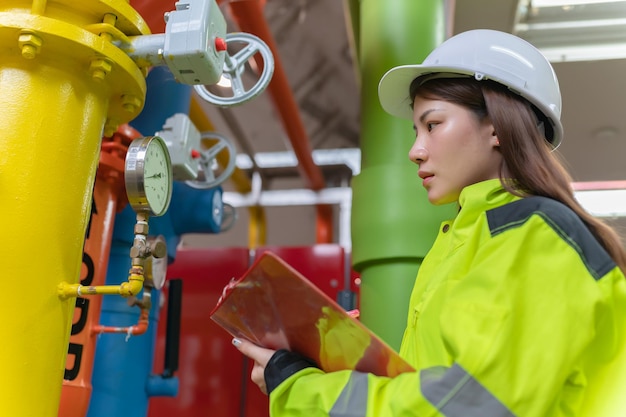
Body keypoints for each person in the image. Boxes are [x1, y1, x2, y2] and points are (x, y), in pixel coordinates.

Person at [232, 29, 626, 416]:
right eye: (416, 131)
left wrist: (301, 389)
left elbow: (474, 404)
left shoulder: (538, 235)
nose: (415, 151)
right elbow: (440, 389)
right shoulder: (468, 241)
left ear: (496, 125)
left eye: (432, 124)